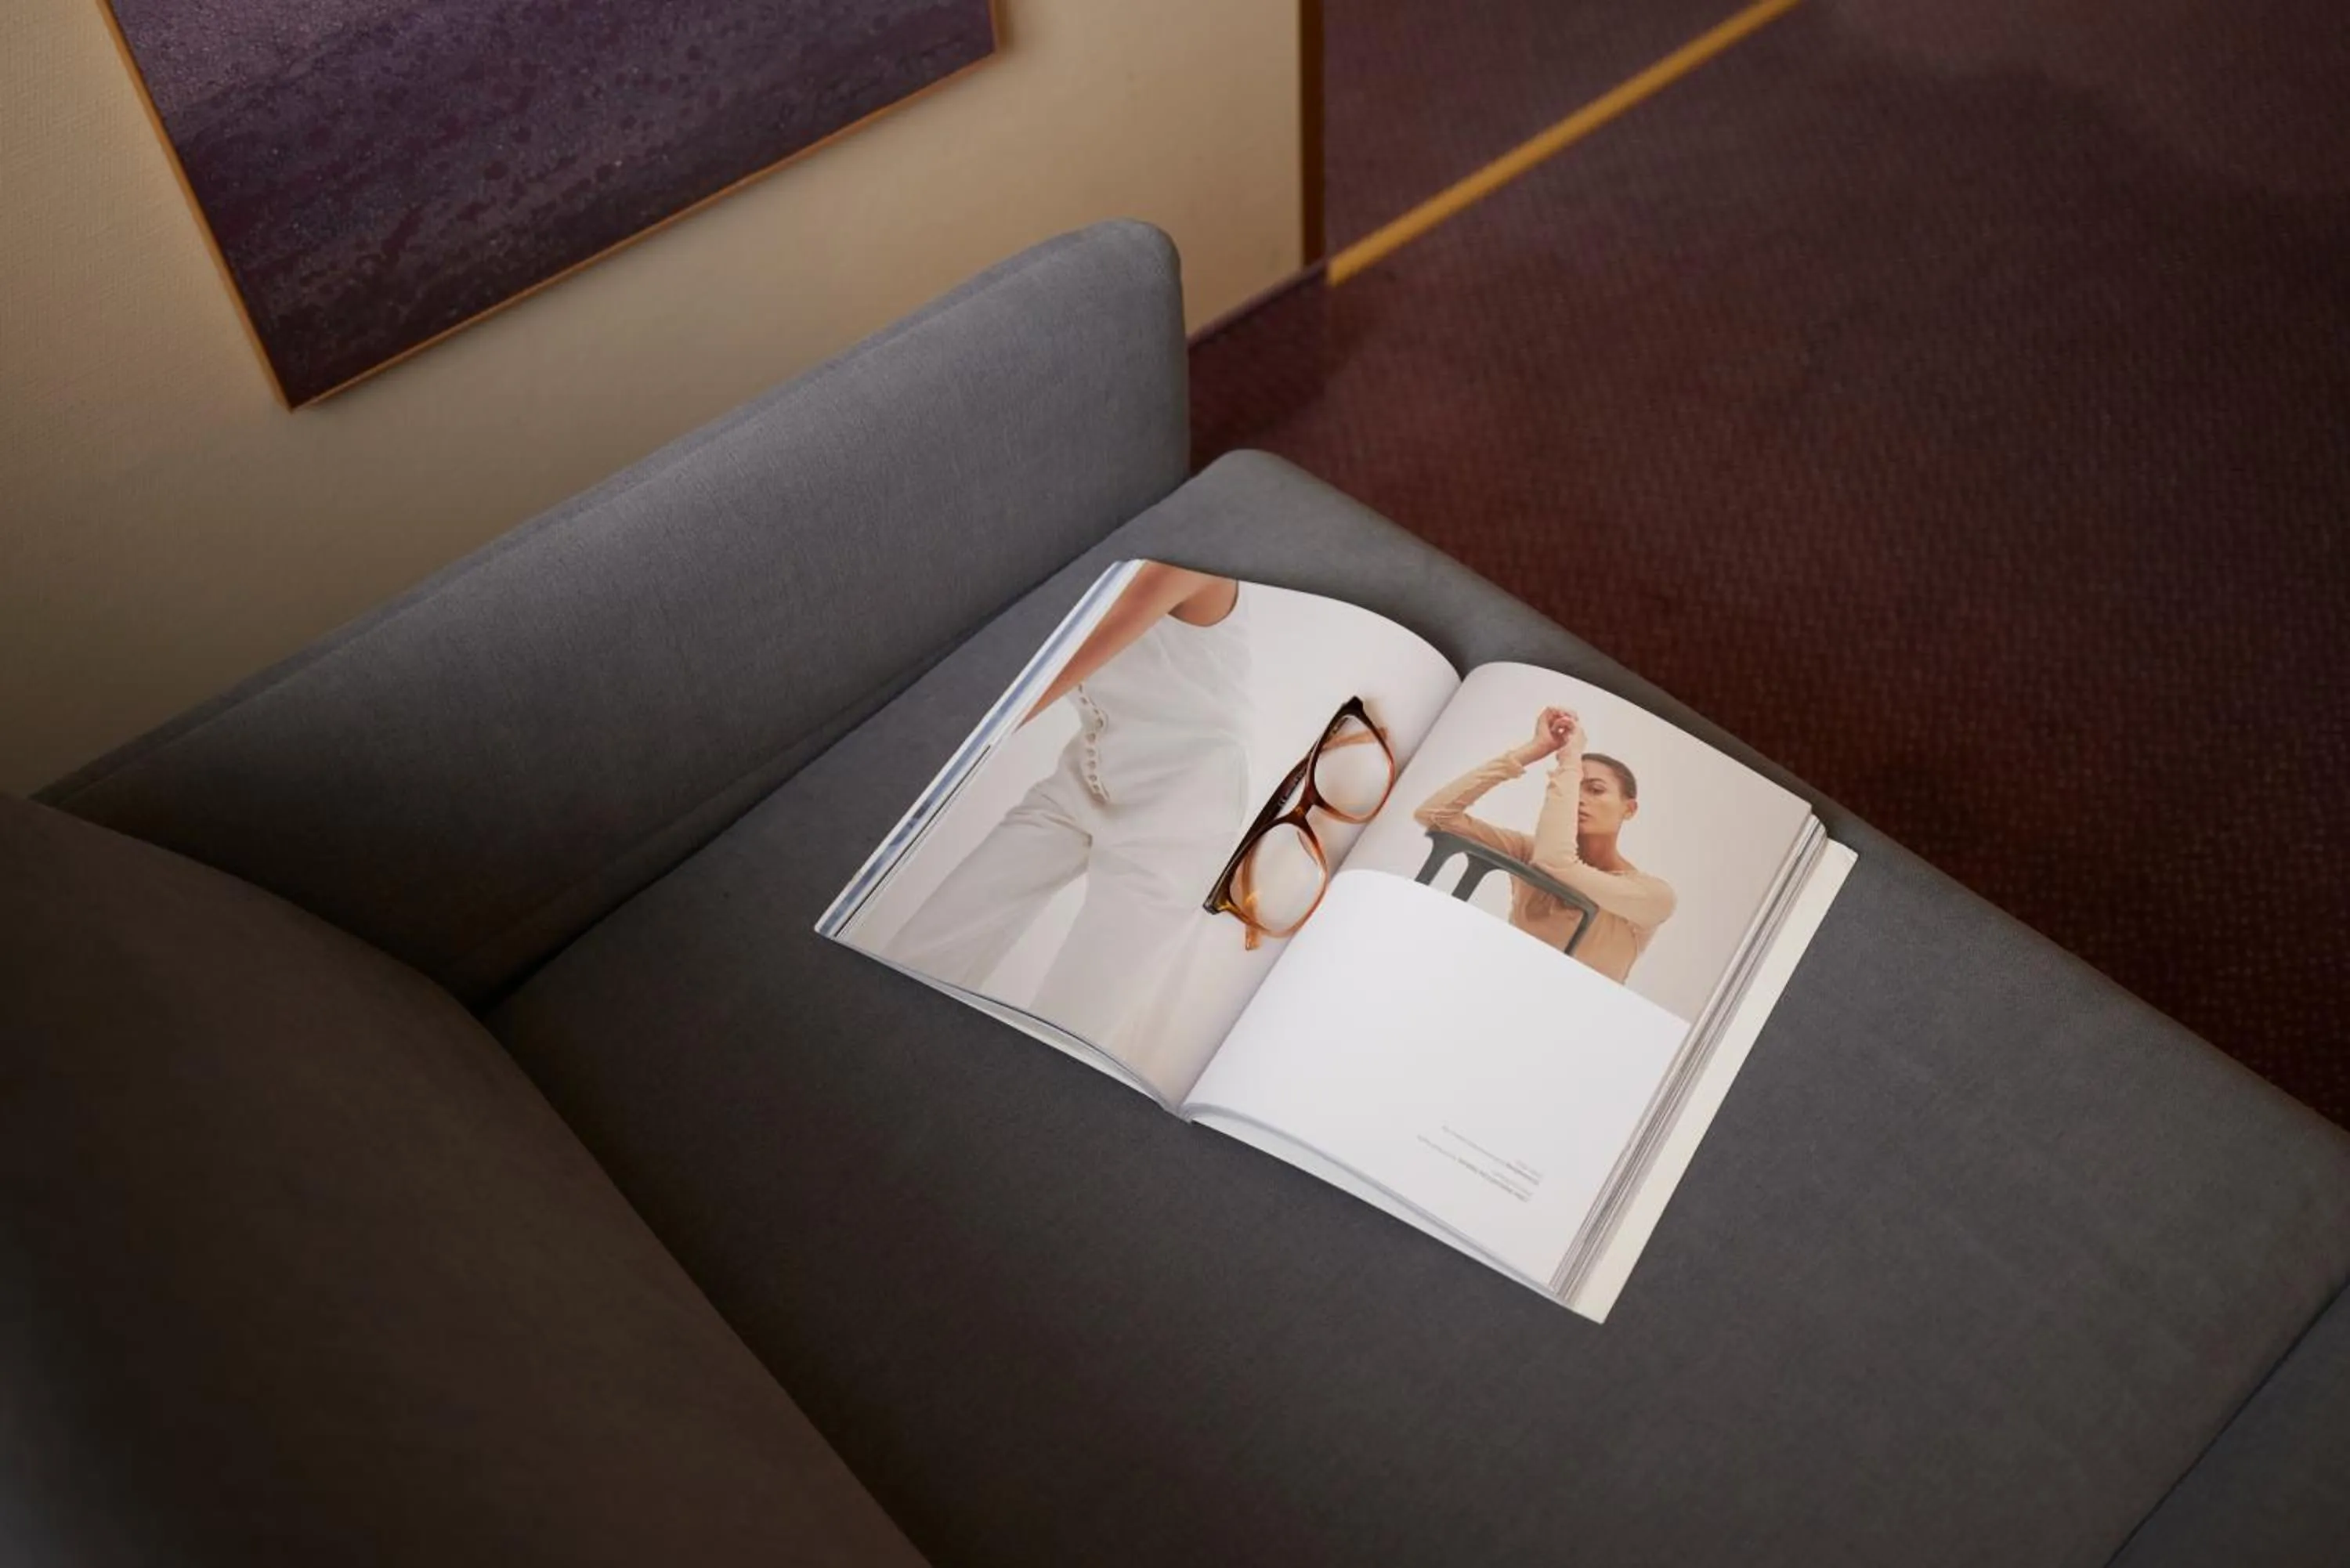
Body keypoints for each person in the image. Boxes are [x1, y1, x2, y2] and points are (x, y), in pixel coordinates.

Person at [883, 564, 1252, 1047]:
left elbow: (1049, 671)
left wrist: (927, 755)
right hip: (1084, 777)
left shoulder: (1185, 560)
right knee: (928, 947)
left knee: (1069, 1027)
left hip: (1181, 809)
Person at [1412, 705, 1675, 982]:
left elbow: (1556, 863)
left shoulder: (1654, 896)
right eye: (1572, 787)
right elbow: (1435, 815)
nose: (1578, 799)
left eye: (1595, 790)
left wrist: (1569, 762)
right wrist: (1533, 750)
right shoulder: (1529, 851)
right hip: (1497, 986)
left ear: (1629, 809)